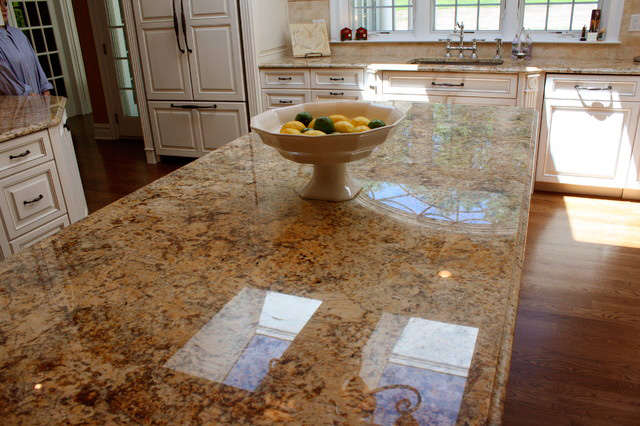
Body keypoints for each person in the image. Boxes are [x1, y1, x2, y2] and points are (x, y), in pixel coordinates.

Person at [0, 0, 52, 96]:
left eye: (5, 4)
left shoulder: (18, 33)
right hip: (18, 103)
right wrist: (31, 96)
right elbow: (7, 82)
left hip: (39, 100)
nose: (4, 8)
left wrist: (45, 89)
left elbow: (36, 62)